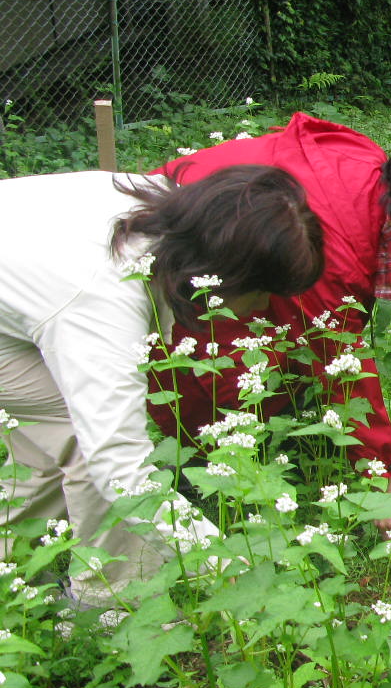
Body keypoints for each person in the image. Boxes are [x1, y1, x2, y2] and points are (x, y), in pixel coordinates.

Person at [149, 114, 391, 534]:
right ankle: (201, 464)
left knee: (278, 340)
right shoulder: (333, 244)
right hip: (173, 242)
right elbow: (339, 357)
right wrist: (378, 478)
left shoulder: (369, 176)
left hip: (191, 214)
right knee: (225, 359)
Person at [0, 165, 324, 604]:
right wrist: (221, 560)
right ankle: (111, 605)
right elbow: (119, 463)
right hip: (53, 297)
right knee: (90, 439)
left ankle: (10, 572)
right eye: (263, 290)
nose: (265, 305)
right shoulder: (100, 298)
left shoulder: (168, 208)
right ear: (225, 273)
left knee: (60, 431)